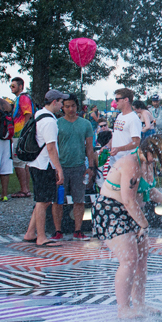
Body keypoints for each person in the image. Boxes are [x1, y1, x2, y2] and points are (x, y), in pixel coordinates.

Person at [94, 136, 162, 318]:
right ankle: (123, 308)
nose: (156, 160)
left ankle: (140, 304)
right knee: (129, 259)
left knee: (141, 260)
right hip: (112, 211)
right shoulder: (132, 163)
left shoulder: (146, 163)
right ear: (145, 150)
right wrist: (144, 224)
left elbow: (148, 190)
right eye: (155, 155)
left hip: (132, 211)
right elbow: (127, 199)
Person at [21, 90, 67, 246]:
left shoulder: (39, 114)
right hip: (44, 164)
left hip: (35, 162)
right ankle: (41, 237)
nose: (62, 105)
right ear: (54, 102)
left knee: (43, 200)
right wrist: (58, 168)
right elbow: (51, 148)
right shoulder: (49, 122)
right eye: (61, 102)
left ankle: (30, 232)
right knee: (43, 201)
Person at [52, 95, 96, 240]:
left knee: (79, 199)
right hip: (61, 166)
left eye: (73, 106)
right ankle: (58, 230)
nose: (70, 109)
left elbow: (89, 147)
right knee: (58, 200)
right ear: (62, 107)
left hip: (79, 166)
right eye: (67, 106)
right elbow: (53, 146)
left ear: (77, 107)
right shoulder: (57, 123)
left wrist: (91, 166)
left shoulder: (85, 124)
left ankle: (78, 229)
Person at [8, 77, 34, 198]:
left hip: (20, 134)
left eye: (13, 86)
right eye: (11, 86)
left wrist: (24, 131)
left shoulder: (23, 97)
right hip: (18, 134)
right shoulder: (19, 98)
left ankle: (24, 189)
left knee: (18, 162)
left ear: (20, 86)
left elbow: (28, 113)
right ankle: (26, 188)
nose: (11, 88)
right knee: (23, 163)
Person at [110, 88, 142, 161]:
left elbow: (136, 143)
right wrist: (106, 146)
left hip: (127, 161)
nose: (115, 102)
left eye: (117, 99)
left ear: (126, 100)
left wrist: (118, 149)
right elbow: (116, 136)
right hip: (115, 160)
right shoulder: (120, 116)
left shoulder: (133, 119)